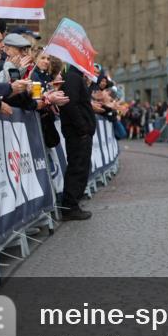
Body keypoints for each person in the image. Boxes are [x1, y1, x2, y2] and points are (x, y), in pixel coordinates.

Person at [59, 64, 97, 220]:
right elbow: (71, 104)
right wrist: (82, 128)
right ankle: (70, 207)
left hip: (79, 132)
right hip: (78, 133)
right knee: (78, 168)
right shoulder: (73, 78)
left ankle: (72, 205)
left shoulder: (74, 77)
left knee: (80, 167)